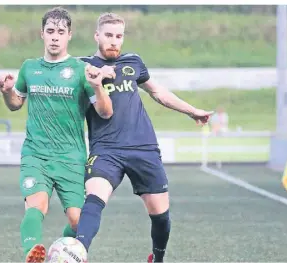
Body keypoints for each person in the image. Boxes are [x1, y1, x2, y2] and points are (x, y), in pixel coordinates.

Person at [75, 13, 213, 263]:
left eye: (119, 36)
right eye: (108, 35)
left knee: (160, 216)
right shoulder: (81, 66)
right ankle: (78, 253)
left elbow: (157, 92)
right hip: (106, 150)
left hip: (143, 147)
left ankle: (157, 259)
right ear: (97, 36)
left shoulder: (133, 61)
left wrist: (192, 111)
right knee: (94, 199)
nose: (114, 41)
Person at [0, 7, 113, 263]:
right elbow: (16, 103)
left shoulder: (83, 70)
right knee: (37, 205)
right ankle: (32, 253)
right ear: (42, 34)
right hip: (36, 154)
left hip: (71, 156)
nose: (55, 37)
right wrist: (6, 91)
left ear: (69, 35)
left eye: (61, 32)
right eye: (50, 31)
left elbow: (105, 112)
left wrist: (97, 86)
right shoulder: (29, 68)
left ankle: (61, 252)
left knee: (78, 221)